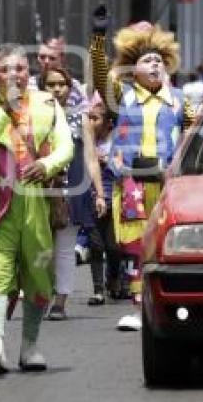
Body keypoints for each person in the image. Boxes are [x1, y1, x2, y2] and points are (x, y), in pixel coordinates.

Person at [0, 43, 73, 374]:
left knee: (38, 273)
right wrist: (4, 112)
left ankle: (30, 346)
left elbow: (66, 147)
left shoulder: (48, 104)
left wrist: (47, 164)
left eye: (20, 69)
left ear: (29, 71)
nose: (14, 75)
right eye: (5, 70)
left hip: (37, 204)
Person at [90, 12, 195, 331]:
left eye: (159, 61)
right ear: (131, 67)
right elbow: (99, 74)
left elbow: (195, 136)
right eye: (147, 60)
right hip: (132, 182)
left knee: (168, 245)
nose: (154, 65)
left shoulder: (180, 101)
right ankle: (139, 311)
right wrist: (97, 38)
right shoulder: (122, 96)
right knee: (137, 249)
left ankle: (175, 306)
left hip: (169, 185)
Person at [38, 67, 105, 320]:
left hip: (72, 191)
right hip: (40, 190)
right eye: (50, 84)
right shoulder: (32, 116)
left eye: (61, 84)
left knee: (65, 250)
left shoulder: (83, 118)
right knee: (40, 249)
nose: (56, 89)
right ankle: (40, 295)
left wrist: (99, 193)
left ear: (69, 86)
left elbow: (90, 158)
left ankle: (60, 302)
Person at [86, 94, 121, 304]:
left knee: (114, 247)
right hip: (91, 199)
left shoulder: (118, 140)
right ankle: (98, 289)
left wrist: (107, 160)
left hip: (115, 199)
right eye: (89, 117)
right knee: (95, 245)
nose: (91, 122)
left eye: (95, 118)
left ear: (108, 123)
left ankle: (114, 279)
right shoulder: (87, 142)